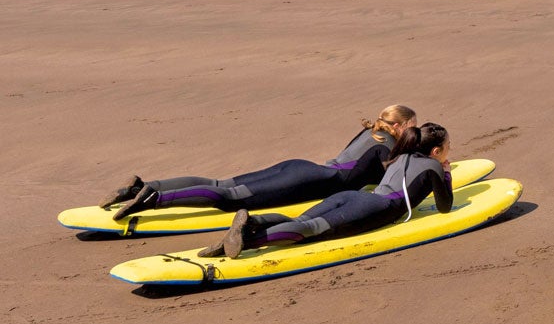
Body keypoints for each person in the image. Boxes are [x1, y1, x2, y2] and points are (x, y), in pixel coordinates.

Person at [104, 105, 418, 221]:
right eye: (412, 126)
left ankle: (143, 186)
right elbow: (395, 178)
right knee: (230, 199)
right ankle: (154, 199)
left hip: (300, 167)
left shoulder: (371, 132)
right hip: (309, 179)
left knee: (221, 184)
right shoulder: (388, 145)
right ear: (402, 127)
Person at [201, 122, 454, 259]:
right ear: (435, 151)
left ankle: (253, 221)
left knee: (301, 221)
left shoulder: (400, 156)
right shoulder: (433, 166)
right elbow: (445, 207)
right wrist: (447, 174)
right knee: (311, 230)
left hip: (356, 197)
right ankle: (246, 240)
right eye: (447, 146)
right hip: (376, 207)